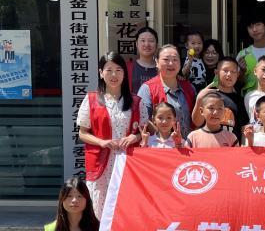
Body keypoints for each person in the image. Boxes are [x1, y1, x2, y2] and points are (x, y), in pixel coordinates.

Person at [78, 53, 144, 219]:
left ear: (124, 73)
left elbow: (145, 132)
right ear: (101, 73)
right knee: (99, 207)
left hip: (128, 161)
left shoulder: (136, 101)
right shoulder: (92, 99)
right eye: (109, 70)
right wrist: (101, 142)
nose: (114, 75)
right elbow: (82, 133)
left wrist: (134, 138)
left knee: (126, 207)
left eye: (118, 70)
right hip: (102, 163)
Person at [138, 45, 196, 138]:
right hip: (161, 145)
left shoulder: (189, 87)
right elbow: (144, 120)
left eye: (175, 59)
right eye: (166, 59)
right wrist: (165, 139)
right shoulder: (147, 89)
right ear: (157, 62)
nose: (171, 63)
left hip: (189, 144)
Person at [192, 56, 247, 139]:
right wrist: (199, 99)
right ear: (216, 72)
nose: (229, 74)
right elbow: (197, 123)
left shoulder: (240, 100)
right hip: (208, 143)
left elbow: (244, 128)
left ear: (238, 75)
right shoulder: (207, 94)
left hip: (232, 145)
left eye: (233, 72)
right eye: (225, 70)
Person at [126, 27, 159, 93]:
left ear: (156, 45)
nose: (146, 44)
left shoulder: (163, 68)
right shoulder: (127, 67)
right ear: (136, 44)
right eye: (143, 40)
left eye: (151, 41)